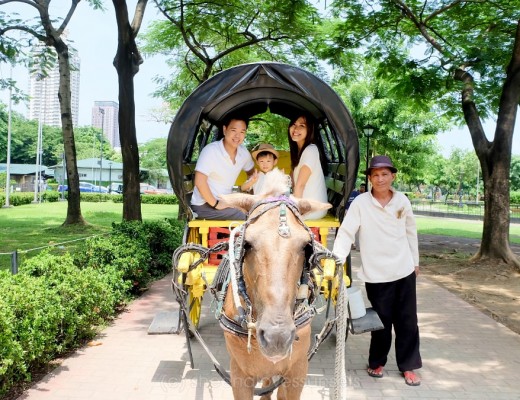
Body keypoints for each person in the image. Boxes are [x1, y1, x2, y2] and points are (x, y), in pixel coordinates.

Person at [332, 155, 422, 386]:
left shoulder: (402, 201)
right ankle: (376, 362)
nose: (380, 179)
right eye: (375, 175)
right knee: (381, 322)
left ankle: (409, 366)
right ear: (370, 178)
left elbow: (410, 232)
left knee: (408, 321)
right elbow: (346, 232)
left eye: (385, 174)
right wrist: (337, 260)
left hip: (403, 270)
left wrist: (415, 262)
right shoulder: (361, 203)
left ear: (393, 176)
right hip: (376, 274)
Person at [190, 116, 255, 220]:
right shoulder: (211, 151)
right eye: (234, 130)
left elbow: (252, 173)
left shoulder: (243, 153)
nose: (237, 136)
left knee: (260, 210)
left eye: (242, 132)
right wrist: (217, 204)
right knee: (249, 217)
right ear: (225, 130)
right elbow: (199, 182)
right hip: (204, 205)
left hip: (226, 201)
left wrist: (248, 189)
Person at [287, 113, 328, 220]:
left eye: (302, 126)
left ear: (310, 130)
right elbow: (292, 182)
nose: (296, 129)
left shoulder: (311, 150)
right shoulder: (299, 152)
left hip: (312, 209)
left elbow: (300, 185)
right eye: (294, 124)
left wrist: (295, 215)